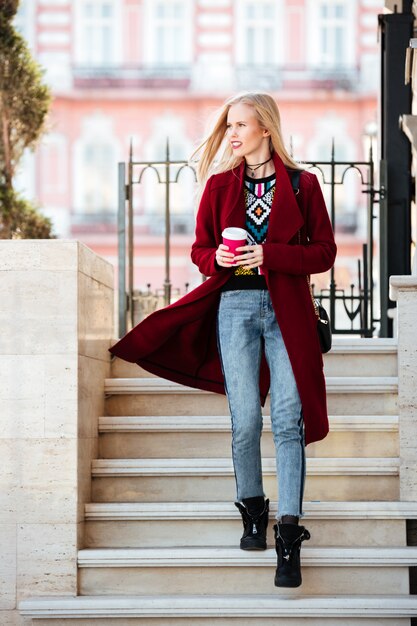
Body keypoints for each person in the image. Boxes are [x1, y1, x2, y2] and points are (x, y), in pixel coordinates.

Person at [110, 92, 337, 589]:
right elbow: (199, 250)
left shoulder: (303, 185)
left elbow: (323, 252)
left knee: (287, 420)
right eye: (229, 125)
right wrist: (221, 260)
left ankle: (289, 532)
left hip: (288, 311)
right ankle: (253, 511)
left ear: (266, 130)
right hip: (234, 308)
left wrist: (269, 253)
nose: (232, 133)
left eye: (241, 125)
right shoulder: (218, 186)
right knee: (245, 419)